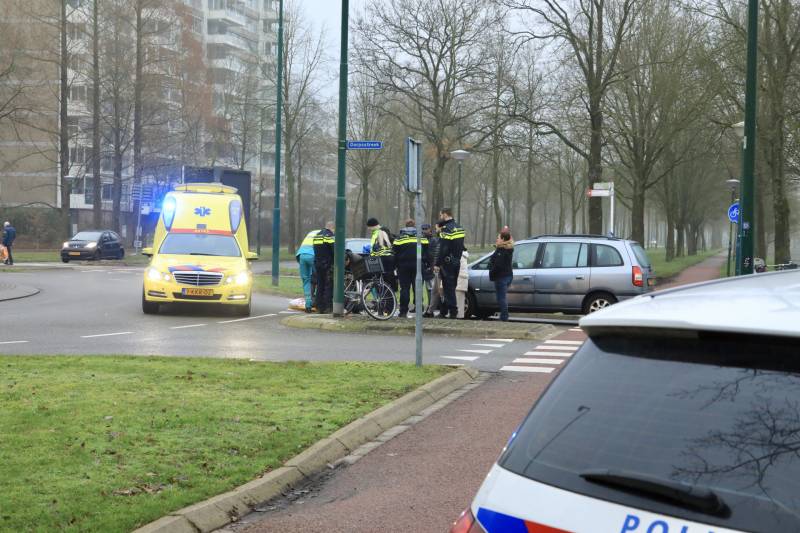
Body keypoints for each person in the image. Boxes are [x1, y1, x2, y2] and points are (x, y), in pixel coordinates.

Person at [393, 219, 429, 318]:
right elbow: (427, 251)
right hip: (418, 265)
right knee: (418, 288)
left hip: (403, 266)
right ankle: (419, 309)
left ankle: (403, 311)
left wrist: (396, 265)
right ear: (414, 226)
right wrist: (426, 263)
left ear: (405, 226)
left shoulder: (399, 238)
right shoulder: (421, 236)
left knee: (404, 288)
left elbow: (395, 252)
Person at [435, 208, 466, 319]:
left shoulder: (446, 229)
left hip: (447, 262)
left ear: (445, 214)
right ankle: (443, 311)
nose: (440, 217)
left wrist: (437, 263)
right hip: (456, 261)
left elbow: (443, 248)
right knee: (449, 287)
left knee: (448, 288)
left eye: (441, 215)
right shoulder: (460, 228)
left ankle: (453, 311)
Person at [490, 227, 514, 321]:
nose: (497, 239)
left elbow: (498, 265)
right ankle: (504, 316)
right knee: (501, 297)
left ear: (503, 239)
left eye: (498, 238)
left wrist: (492, 272)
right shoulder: (506, 248)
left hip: (501, 277)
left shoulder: (502, 250)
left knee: (501, 298)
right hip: (507, 275)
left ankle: (504, 317)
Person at [367, 217, 396, 291]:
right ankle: (386, 294)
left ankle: (388, 294)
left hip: (383, 257)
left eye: (369, 227)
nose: (369, 229)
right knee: (382, 278)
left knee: (385, 278)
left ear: (373, 226)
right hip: (381, 257)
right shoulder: (377, 232)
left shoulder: (381, 231)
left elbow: (383, 244)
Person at [312, 221, 335, 314]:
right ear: (332, 228)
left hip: (318, 264)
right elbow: (334, 250)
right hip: (327, 264)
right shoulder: (329, 235)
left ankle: (319, 306)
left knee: (320, 285)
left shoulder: (317, 235)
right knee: (329, 285)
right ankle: (327, 307)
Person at [296, 228, 320, 312]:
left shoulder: (311, 232)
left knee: (306, 281)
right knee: (320, 279)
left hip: (301, 255)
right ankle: (319, 303)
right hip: (312, 255)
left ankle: (308, 305)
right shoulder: (323, 234)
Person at [456, 249, 470, 319]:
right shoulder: (464, 256)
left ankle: (458, 316)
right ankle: (460, 315)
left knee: (458, 299)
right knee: (461, 300)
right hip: (463, 280)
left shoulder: (459, 256)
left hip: (459, 280)